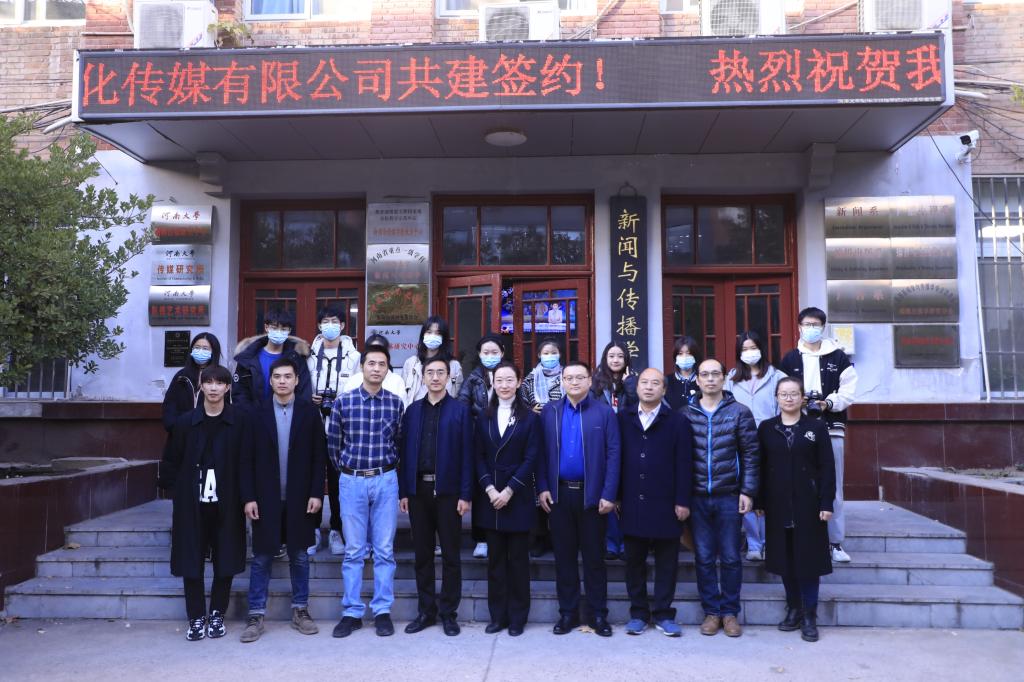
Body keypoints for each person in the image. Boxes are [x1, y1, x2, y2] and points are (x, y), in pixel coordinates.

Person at [239, 357, 327, 642]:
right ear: (271, 380)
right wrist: (249, 497)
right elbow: (246, 459)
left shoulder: (309, 413)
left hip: (300, 498)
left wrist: (317, 493)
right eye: (277, 376)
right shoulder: (256, 413)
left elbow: (319, 457)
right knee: (262, 557)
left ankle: (301, 610)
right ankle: (256, 614)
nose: (282, 381)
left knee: (299, 556)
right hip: (266, 498)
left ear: (296, 380)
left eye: (288, 376)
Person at [158, 365, 248, 641]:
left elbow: (246, 462)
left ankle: (217, 613)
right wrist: (177, 494)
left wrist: (247, 498)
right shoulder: (186, 422)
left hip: (227, 502)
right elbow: (171, 460)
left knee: (225, 559)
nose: (213, 387)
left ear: (227, 387)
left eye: (219, 382)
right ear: (201, 386)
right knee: (191, 560)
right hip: (192, 502)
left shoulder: (238, 422)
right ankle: (196, 617)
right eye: (208, 382)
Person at [537, 361, 620, 637]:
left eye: (579, 377)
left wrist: (609, 493)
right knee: (564, 559)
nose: (574, 382)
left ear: (589, 380)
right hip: (559, 495)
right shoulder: (549, 412)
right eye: (569, 378)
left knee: (594, 559)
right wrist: (543, 487)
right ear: (562, 381)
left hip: (592, 496)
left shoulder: (604, 412)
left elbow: (614, 454)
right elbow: (540, 453)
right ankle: (568, 613)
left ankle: (598, 614)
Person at [327, 344, 404, 638]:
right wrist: (349, 473)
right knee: (354, 550)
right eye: (371, 363)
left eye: (382, 364)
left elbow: (399, 442)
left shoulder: (395, 404)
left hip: (385, 479)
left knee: (384, 550)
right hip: (352, 480)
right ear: (362, 367)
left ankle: (382, 610)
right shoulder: (343, 403)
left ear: (387, 369)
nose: (376, 368)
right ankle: (352, 612)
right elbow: (333, 446)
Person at [756, 376, 836, 643]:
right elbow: (760, 466)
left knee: (808, 561)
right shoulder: (767, 428)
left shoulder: (816, 427)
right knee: (784, 560)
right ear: (776, 398)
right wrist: (759, 501)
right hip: (777, 503)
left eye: (793, 394)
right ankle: (794, 609)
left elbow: (827, 467)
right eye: (783, 394)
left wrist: (826, 502)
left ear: (802, 398)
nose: (788, 398)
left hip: (809, 503)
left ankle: (810, 614)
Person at [398, 357, 474, 637]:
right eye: (430, 372)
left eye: (440, 372)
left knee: (452, 555)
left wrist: (466, 494)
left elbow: (467, 455)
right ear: (423, 377)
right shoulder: (412, 411)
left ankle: (448, 613)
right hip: (418, 492)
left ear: (449, 376)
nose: (435, 377)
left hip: (449, 493)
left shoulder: (460, 411)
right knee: (422, 555)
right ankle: (426, 611)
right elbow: (404, 453)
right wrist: (404, 491)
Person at [684, 359, 759, 638]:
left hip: (729, 495)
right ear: (697, 380)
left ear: (724, 378)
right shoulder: (685, 414)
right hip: (697, 496)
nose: (710, 379)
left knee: (730, 556)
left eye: (716, 374)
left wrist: (747, 491)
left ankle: (729, 612)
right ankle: (711, 612)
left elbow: (751, 455)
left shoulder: (740, 412)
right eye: (704, 374)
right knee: (703, 557)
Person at [617, 368, 693, 637]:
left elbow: (685, 464)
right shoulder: (623, 418)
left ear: (664, 389)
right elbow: (615, 459)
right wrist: (615, 496)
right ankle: (638, 613)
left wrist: (682, 500)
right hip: (632, 501)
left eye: (655, 383)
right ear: (636, 387)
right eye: (644, 382)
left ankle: (663, 613)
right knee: (633, 562)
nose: (649, 387)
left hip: (666, 503)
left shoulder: (677, 421)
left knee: (667, 563)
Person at [779, 307, 857, 564]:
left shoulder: (838, 357)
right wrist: (796, 402)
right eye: (806, 324)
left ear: (823, 327)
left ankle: (835, 542)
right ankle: (803, 536)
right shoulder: (790, 358)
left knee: (833, 485)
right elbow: (781, 391)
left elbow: (849, 390)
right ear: (799, 327)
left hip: (831, 427)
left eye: (815, 324)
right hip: (797, 427)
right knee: (798, 483)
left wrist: (828, 403)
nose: (810, 328)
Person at [474, 362, 542, 637]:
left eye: (509, 380)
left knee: (518, 563)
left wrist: (510, 490)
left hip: (518, 496)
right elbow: (478, 456)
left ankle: (517, 617)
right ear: (492, 383)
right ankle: (497, 616)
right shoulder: (484, 416)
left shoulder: (530, 418)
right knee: (496, 563)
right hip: (490, 498)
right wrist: (490, 489)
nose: (504, 385)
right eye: (499, 380)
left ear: (518, 382)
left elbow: (532, 457)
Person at [725, 331, 785, 562]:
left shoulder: (777, 376)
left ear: (761, 349)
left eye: (753, 348)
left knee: (771, 492)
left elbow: (784, 409)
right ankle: (753, 543)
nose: (750, 353)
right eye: (745, 349)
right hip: (740, 443)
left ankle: (771, 541)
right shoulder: (731, 379)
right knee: (747, 492)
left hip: (771, 441)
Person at [308, 306, 361, 557]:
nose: (330, 325)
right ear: (319, 326)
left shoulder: (354, 356)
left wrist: (341, 400)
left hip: (342, 429)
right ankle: (312, 529)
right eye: (325, 321)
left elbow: (359, 388)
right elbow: (298, 385)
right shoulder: (307, 355)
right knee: (312, 479)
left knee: (340, 481)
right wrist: (310, 399)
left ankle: (337, 530)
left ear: (342, 326)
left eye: (335, 321)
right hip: (313, 425)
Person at [457, 333, 506, 559]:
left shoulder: (508, 374)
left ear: (502, 353)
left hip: (505, 438)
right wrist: (481, 415)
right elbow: (462, 405)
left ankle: (502, 534)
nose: (490, 356)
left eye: (494, 352)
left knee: (503, 486)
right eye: (486, 352)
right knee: (481, 490)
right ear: (479, 354)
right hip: (479, 438)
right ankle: (481, 539)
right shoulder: (473, 378)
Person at [590, 341, 638, 561]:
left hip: (630, 442)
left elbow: (639, 407)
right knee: (607, 491)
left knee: (627, 493)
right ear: (605, 358)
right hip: (603, 444)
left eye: (620, 356)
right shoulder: (596, 382)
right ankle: (611, 543)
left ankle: (627, 542)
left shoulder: (635, 380)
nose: (616, 360)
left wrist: (630, 385)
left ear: (626, 358)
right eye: (611, 356)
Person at [519, 337, 564, 558]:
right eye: (545, 353)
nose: (549, 356)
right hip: (535, 437)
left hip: (561, 437)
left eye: (553, 352)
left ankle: (558, 537)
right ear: (538, 355)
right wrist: (531, 412)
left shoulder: (567, 377)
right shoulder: (529, 380)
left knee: (557, 487)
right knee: (537, 486)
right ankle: (538, 537)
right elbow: (521, 405)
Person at [232, 309, 312, 411]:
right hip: (252, 416)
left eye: (283, 329)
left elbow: (304, 391)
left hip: (287, 415)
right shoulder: (249, 356)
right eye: (274, 328)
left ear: (289, 331)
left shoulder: (296, 358)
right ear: (266, 327)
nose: (279, 332)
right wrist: (249, 415)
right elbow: (239, 392)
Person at [162, 332, 222, 431]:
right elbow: (170, 403)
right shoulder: (182, 376)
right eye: (197, 347)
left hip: (209, 433)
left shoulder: (221, 376)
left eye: (205, 349)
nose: (200, 351)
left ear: (213, 352)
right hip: (182, 432)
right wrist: (174, 426)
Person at [400, 316, 464, 407]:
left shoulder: (454, 365)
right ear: (423, 335)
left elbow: (459, 397)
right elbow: (403, 395)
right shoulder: (411, 363)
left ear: (444, 337)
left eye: (438, 333)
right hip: (416, 412)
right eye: (429, 332)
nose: (433, 336)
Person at [343, 333, 406, 398]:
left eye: (380, 350)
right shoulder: (353, 381)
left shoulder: (397, 381)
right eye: (372, 349)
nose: (376, 369)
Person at [666, 336, 701, 412]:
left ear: (695, 356)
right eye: (680, 353)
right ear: (675, 357)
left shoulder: (702, 380)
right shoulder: (666, 381)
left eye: (689, 353)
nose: (684, 357)